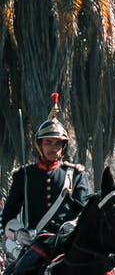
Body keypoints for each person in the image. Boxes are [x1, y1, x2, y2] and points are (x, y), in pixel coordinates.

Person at [2, 93, 90, 259]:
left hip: (68, 246)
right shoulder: (24, 175)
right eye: (48, 142)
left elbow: (85, 211)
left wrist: (73, 226)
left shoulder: (75, 174)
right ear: (39, 145)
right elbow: (8, 215)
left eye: (58, 144)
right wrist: (18, 233)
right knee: (17, 274)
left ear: (63, 147)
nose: (53, 148)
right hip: (35, 245)